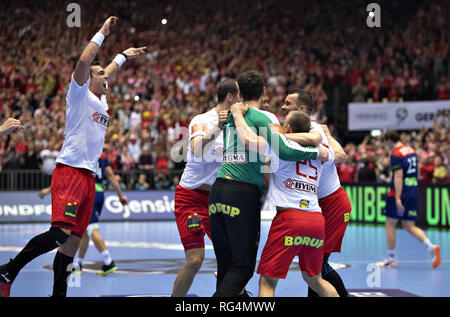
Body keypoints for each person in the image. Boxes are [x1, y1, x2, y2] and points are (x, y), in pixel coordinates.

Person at [0, 16, 146, 297]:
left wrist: (124, 56)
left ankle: (58, 296)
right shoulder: (78, 95)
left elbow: (110, 70)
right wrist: (102, 32)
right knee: (59, 234)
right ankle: (9, 269)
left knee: (70, 246)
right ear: (89, 80)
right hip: (70, 171)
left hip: (89, 177)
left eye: (106, 74)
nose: (107, 77)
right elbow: (83, 64)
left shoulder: (102, 99)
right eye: (101, 74)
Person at [208, 70, 327, 297]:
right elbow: (282, 148)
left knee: (226, 265)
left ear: (240, 93)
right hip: (243, 194)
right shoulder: (267, 118)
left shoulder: (231, 117)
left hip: (218, 191)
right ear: (263, 91)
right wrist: (314, 150)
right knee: (243, 268)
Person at [257, 110, 338, 297]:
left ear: (288, 128)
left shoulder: (279, 149)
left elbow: (264, 172)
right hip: (316, 220)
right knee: (315, 279)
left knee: (267, 280)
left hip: (289, 218)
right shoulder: (320, 153)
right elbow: (339, 156)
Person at [171, 79, 240, 297]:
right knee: (194, 260)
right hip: (190, 197)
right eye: (240, 96)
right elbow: (196, 148)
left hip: (218, 199)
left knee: (233, 259)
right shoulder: (202, 120)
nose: (243, 100)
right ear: (230, 97)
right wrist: (217, 127)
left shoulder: (240, 124)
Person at [281, 89, 351, 297]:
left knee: (316, 266)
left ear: (302, 109)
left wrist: (326, 136)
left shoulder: (314, 131)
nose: (283, 107)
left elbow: (340, 155)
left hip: (333, 204)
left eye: (288, 103)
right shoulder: (297, 130)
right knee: (313, 265)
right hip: (318, 206)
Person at [378, 130, 441, 269]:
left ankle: (390, 258)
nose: (386, 146)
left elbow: (399, 177)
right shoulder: (411, 150)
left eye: (385, 142)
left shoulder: (396, 154)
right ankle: (431, 247)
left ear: (389, 140)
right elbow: (417, 172)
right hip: (413, 190)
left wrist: (397, 197)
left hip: (401, 191)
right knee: (409, 225)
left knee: (390, 224)